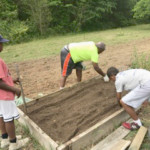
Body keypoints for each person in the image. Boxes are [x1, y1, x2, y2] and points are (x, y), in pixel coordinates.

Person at [0, 35, 29, 150]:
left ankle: (5, 138)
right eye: (1, 43)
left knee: (2, 116)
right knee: (9, 118)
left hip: (0, 96)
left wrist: (13, 80)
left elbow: (3, 79)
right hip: (5, 95)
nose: (2, 45)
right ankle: (13, 143)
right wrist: (14, 89)